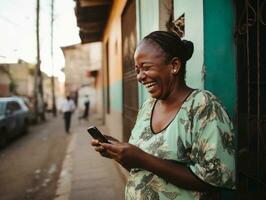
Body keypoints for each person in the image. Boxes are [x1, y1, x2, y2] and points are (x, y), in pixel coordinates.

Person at [91, 31, 235, 199]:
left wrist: (141, 158)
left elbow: (215, 178)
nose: (140, 77)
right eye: (137, 70)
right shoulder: (147, 107)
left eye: (146, 68)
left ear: (174, 65)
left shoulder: (204, 106)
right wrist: (120, 153)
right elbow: (142, 167)